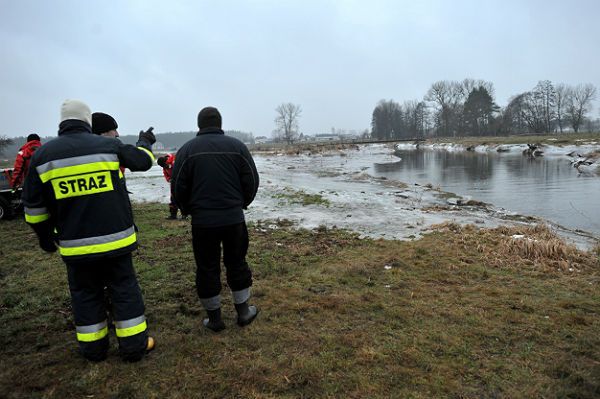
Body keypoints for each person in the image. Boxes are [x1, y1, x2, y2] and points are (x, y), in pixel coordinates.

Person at [22, 99, 157, 362]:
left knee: (85, 294)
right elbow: (143, 161)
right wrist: (146, 141)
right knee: (124, 290)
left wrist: (45, 238)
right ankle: (133, 347)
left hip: (75, 246)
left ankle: (93, 350)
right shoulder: (108, 146)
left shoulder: (42, 157)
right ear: (87, 121)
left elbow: (34, 210)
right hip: (116, 241)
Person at [172, 106, 260, 332]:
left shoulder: (187, 150)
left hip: (203, 222)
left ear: (199, 125)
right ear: (219, 124)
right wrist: (242, 204)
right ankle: (243, 312)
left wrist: (187, 209)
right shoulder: (237, 147)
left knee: (207, 267)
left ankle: (214, 319)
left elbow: (178, 185)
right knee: (237, 262)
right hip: (233, 218)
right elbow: (251, 179)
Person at [156, 153, 180, 219]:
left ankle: (184, 215)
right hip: (173, 182)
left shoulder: (174, 160)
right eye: (163, 166)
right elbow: (165, 174)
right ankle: (173, 215)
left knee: (182, 197)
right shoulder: (164, 166)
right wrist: (169, 179)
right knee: (173, 199)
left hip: (181, 181)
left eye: (164, 165)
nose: (164, 167)